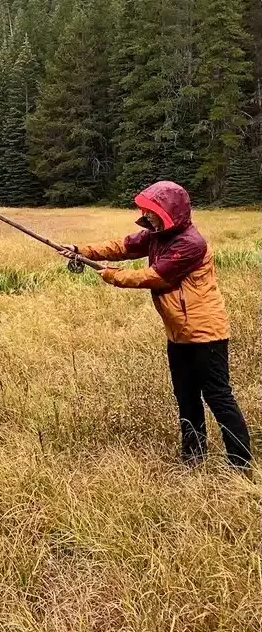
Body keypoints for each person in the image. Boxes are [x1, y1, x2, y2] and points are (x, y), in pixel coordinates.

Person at [63, 181, 252, 470]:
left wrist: (110, 274)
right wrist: (81, 249)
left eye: (152, 211)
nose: (146, 215)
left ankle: (240, 464)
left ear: (170, 212)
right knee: (185, 395)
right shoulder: (157, 235)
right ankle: (193, 456)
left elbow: (154, 277)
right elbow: (122, 246)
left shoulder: (190, 243)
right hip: (178, 333)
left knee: (217, 396)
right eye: (145, 210)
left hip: (206, 333)